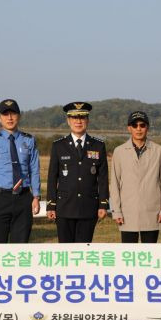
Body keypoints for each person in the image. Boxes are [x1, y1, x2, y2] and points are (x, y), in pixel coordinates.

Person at [46, 102, 109, 243]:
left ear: (88, 120)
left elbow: (103, 178)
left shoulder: (98, 145)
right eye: (74, 118)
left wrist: (103, 204)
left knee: (84, 251)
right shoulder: (58, 146)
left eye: (82, 117)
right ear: (68, 121)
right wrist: (51, 205)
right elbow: (52, 177)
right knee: (65, 251)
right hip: (65, 208)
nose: (78, 121)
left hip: (88, 207)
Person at [0, 99, 41, 243]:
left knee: (20, 246)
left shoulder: (29, 140)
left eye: (13, 114)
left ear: (19, 116)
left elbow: (34, 170)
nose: (10, 118)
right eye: (5, 114)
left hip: (23, 198)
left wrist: (36, 197)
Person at [110, 111, 161, 243]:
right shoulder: (119, 151)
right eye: (134, 125)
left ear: (147, 127)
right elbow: (114, 184)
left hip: (152, 212)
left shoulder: (158, 150)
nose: (138, 128)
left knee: (149, 255)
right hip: (127, 212)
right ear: (129, 128)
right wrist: (116, 211)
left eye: (142, 125)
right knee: (128, 256)